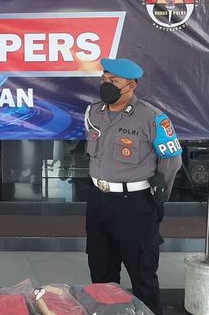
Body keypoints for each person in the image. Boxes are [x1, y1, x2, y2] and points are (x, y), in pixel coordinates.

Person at [84, 57, 182, 315]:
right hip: (98, 201)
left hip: (135, 205)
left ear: (132, 85)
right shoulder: (93, 112)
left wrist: (159, 194)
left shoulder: (152, 117)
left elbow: (172, 160)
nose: (106, 85)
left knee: (143, 276)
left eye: (113, 81)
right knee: (101, 273)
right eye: (104, 79)